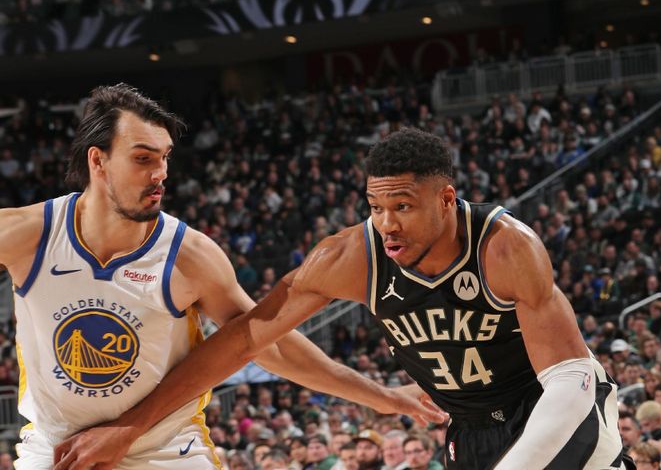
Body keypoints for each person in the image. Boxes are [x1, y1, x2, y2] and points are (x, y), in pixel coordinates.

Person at [54, 127, 626, 470]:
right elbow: (244, 340)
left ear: (447, 200)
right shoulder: (351, 256)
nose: (386, 224)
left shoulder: (506, 248)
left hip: (555, 410)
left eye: (402, 206)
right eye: (376, 208)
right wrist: (129, 427)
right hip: (470, 431)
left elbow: (571, 380)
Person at [0, 85, 442, 469]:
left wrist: (380, 396)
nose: (160, 175)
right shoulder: (26, 234)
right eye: (142, 159)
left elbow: (266, 341)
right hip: (58, 449)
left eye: (164, 158)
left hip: (165, 449)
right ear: (98, 161)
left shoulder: (188, 255)